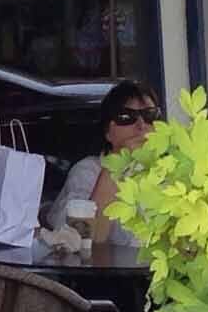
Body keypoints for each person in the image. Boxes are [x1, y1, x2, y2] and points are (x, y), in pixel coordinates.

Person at [54, 81, 163, 250]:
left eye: (149, 115)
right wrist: (119, 160)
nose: (141, 126)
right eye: (126, 117)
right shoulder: (87, 171)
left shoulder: (168, 171)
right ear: (107, 131)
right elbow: (82, 242)